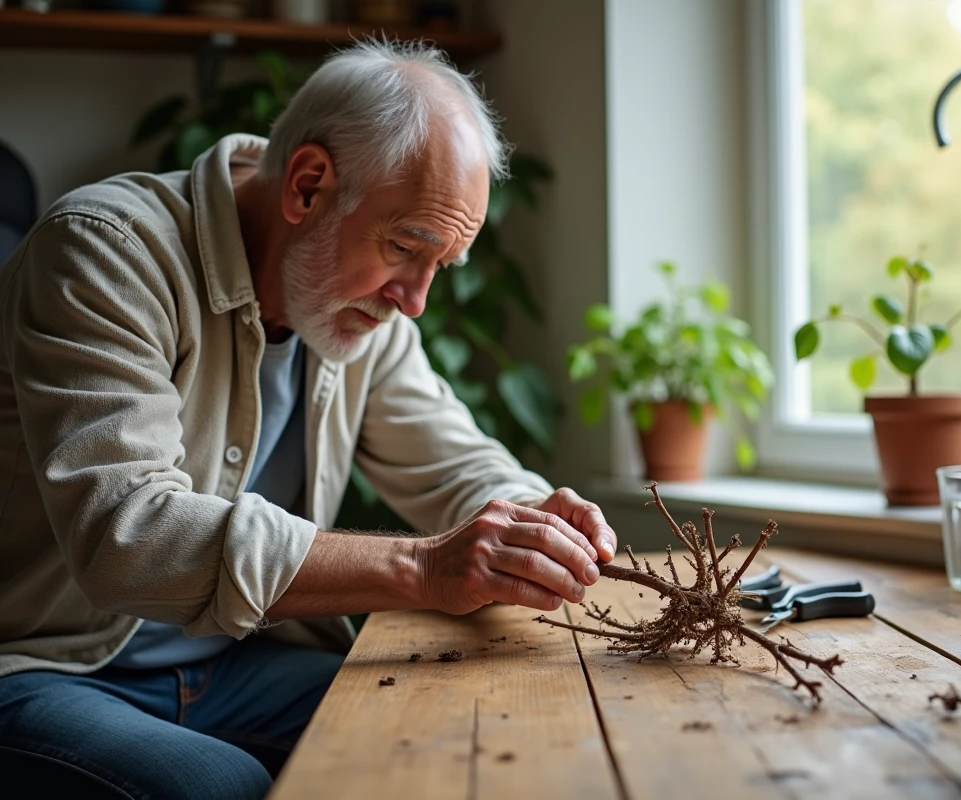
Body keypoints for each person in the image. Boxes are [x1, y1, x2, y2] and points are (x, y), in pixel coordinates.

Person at [0, 41, 616, 799]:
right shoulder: (106, 253)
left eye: (439, 266)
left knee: (460, 730)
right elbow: (129, 536)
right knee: (217, 785)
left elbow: (458, 467)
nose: (414, 301)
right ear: (309, 185)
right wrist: (422, 567)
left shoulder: (357, 312)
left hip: (237, 663)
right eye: (405, 248)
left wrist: (534, 523)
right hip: (45, 668)